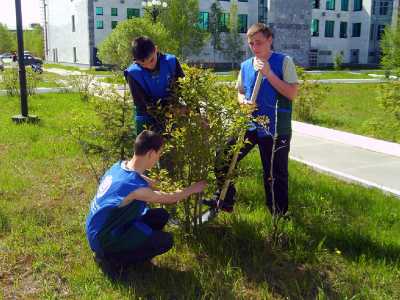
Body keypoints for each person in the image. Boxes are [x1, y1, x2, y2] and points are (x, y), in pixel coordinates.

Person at [204, 23, 299, 216]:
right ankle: (226, 200)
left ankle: (278, 216)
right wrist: (243, 102)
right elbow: (240, 92)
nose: (255, 48)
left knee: (273, 174)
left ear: (270, 40)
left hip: (274, 127)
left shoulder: (283, 62)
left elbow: (291, 93)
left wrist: (269, 74)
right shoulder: (246, 66)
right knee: (223, 157)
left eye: (259, 43)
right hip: (249, 124)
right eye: (251, 44)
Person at [86, 130, 207, 269]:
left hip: (99, 229)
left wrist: (167, 183)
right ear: (150, 154)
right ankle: (113, 260)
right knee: (165, 241)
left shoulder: (121, 166)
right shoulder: (135, 189)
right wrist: (193, 188)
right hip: (104, 240)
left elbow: (150, 183)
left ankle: (127, 247)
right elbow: (169, 198)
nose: (159, 158)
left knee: (161, 216)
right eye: (159, 153)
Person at [124, 36, 185, 135]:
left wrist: (195, 113)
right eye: (143, 65)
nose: (149, 66)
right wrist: (169, 110)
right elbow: (143, 103)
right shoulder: (133, 74)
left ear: (156, 49)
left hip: (174, 113)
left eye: (151, 60)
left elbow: (184, 89)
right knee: (149, 149)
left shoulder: (171, 62)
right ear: (136, 60)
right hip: (146, 118)